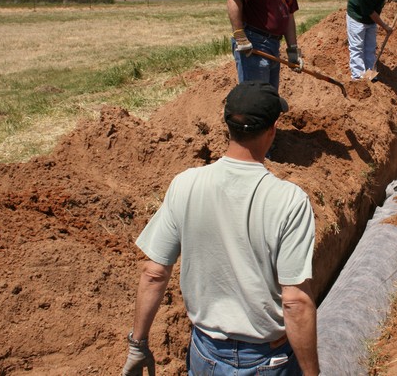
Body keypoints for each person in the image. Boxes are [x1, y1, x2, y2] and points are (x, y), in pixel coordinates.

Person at [122, 81, 320, 375]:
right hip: (266, 359)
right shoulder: (290, 201)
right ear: (273, 129)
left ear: (227, 125)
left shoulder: (185, 184)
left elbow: (153, 273)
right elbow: (295, 302)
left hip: (205, 353)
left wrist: (137, 345)